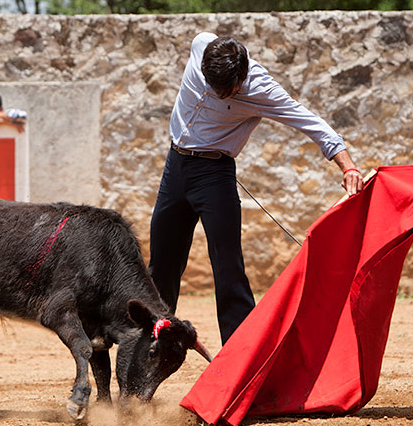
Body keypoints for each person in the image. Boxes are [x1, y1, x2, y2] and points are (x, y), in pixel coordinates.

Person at [148, 32, 364, 345]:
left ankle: (242, 358)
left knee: (227, 265)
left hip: (214, 173)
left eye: (227, 91)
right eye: (213, 86)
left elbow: (308, 120)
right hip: (175, 166)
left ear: (242, 76)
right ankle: (152, 347)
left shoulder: (261, 89)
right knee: (162, 264)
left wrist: (348, 165)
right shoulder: (200, 44)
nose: (219, 94)